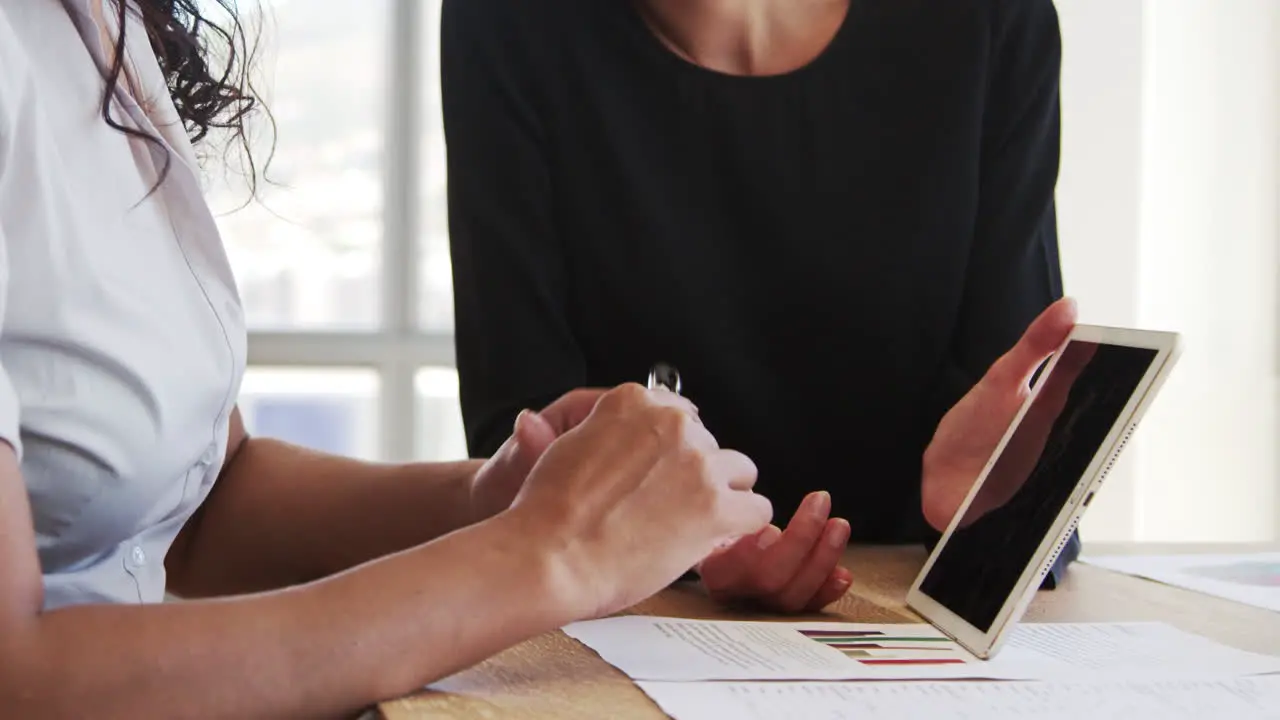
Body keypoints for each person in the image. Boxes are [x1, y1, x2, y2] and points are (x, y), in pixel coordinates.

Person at [0, 2, 778, 716]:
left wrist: (493, 499)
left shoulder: (97, 23)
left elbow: (200, 507)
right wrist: (549, 552)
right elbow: (17, 678)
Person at [443, 0, 1080, 614]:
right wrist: (682, 542)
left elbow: (1022, 449)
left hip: (902, 616)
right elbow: (515, 445)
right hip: (628, 607)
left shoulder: (991, 19)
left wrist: (1002, 515)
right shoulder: (509, 19)